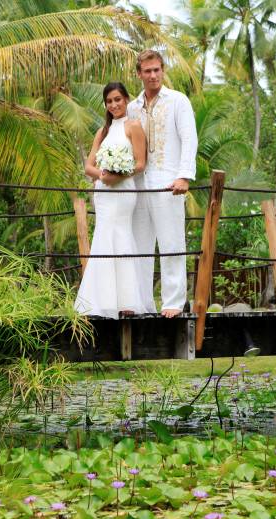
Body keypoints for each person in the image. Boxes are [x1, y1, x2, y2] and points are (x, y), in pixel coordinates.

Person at [127, 49, 198, 318]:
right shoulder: (132, 107)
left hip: (169, 182)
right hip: (138, 184)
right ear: (139, 74)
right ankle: (142, 303)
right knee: (139, 246)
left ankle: (174, 302)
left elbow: (189, 138)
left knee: (171, 243)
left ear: (163, 70)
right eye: (147, 71)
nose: (153, 75)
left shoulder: (178, 101)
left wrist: (184, 175)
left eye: (157, 70)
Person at [74, 82, 149, 319]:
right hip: (104, 192)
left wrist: (119, 175)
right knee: (103, 237)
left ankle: (127, 300)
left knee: (121, 235)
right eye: (109, 101)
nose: (114, 104)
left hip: (123, 190)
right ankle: (102, 300)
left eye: (118, 99)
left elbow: (140, 163)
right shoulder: (102, 132)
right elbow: (88, 166)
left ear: (126, 99)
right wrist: (103, 176)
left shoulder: (134, 126)